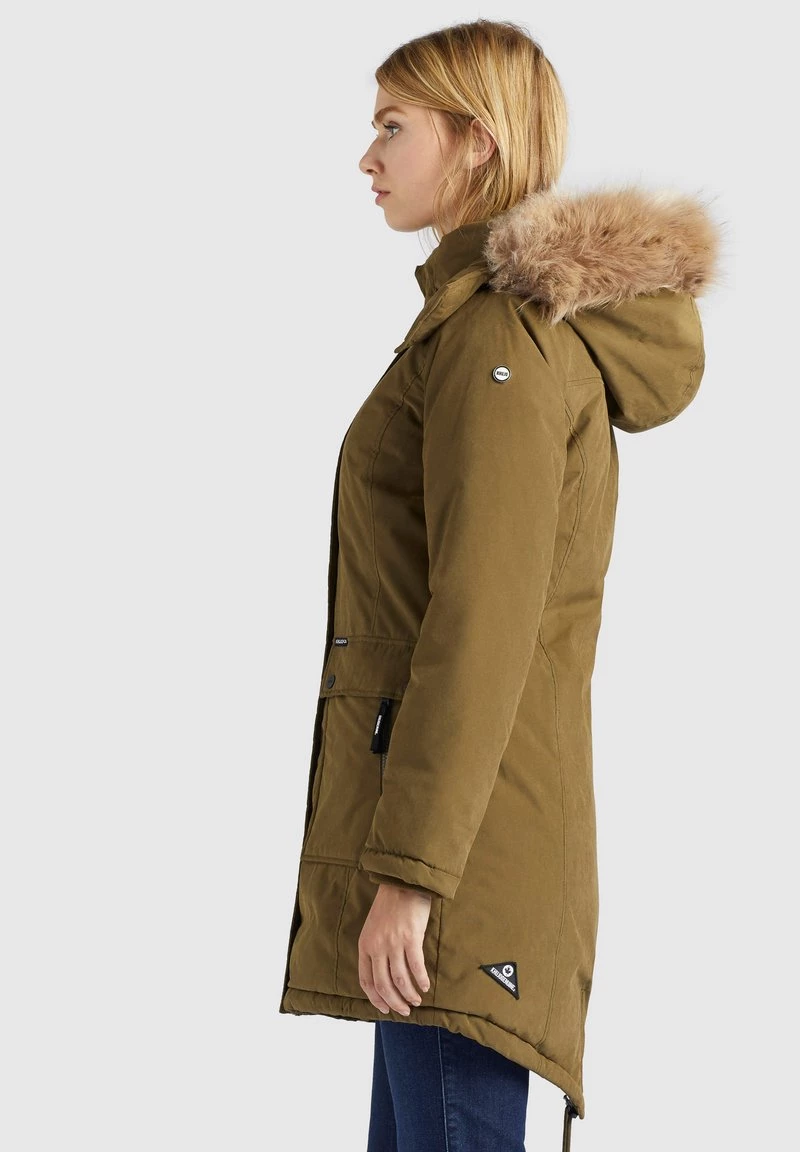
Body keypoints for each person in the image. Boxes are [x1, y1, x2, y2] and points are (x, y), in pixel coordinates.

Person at [278, 18, 722, 1152]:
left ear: (475, 142)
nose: (367, 156)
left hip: (459, 872)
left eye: (393, 126)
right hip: (455, 850)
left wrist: (410, 879)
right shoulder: (469, 329)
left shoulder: (497, 344)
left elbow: (480, 624)